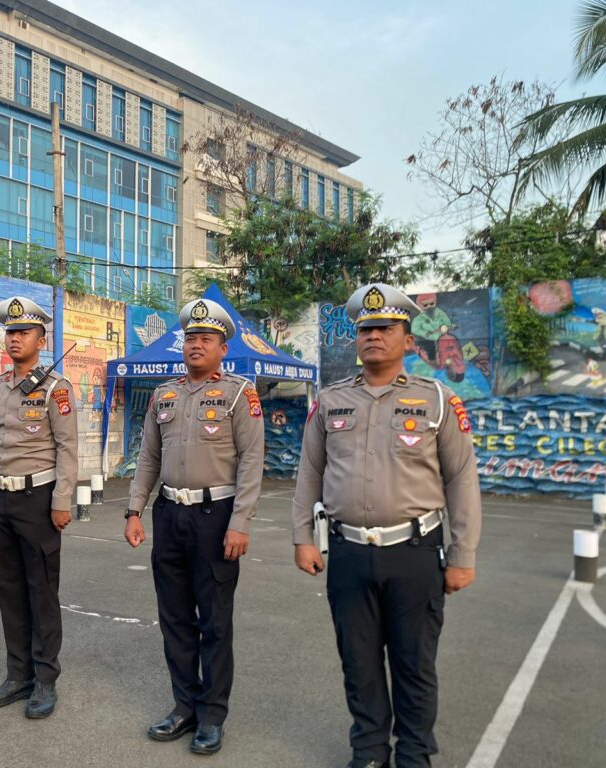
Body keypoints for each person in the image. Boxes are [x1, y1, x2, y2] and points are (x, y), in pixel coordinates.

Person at [292, 283, 482, 768]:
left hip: (414, 553)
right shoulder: (331, 400)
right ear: (357, 338)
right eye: (366, 329)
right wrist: (301, 538)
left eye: (385, 328)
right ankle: (370, 750)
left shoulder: (437, 400)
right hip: (348, 552)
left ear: (407, 338)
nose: (374, 336)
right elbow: (309, 473)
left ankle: (414, 753)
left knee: (413, 663)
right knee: (358, 663)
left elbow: (461, 479)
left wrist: (463, 555)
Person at [124, 298, 265, 756]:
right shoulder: (164, 395)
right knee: (175, 618)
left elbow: (252, 462)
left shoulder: (240, 394)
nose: (196, 345)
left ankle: (212, 715)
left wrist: (240, 522)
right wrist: (134, 510)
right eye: (190, 338)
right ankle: (184, 706)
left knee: (215, 622)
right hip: (170, 514)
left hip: (215, 517)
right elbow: (149, 456)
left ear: (223, 348)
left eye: (206, 338)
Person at [0, 296, 78, 719]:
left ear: (41, 339)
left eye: (24, 332)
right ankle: (17, 675)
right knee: (10, 591)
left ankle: (45, 679)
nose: (15, 338)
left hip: (38, 500)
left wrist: (62, 501)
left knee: (41, 592)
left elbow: (68, 448)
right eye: (10, 332)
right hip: (0, 499)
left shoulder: (56, 388)